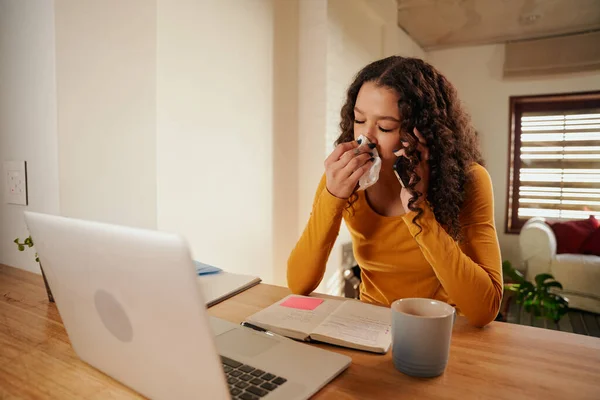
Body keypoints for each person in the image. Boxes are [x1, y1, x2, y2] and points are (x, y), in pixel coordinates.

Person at [287, 56, 503, 327]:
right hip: (367, 328)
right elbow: (298, 283)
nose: (365, 138)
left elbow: (485, 309)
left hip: (441, 333)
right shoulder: (344, 178)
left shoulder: (469, 181)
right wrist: (332, 196)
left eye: (385, 127)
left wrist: (418, 210)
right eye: (358, 119)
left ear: (423, 131)